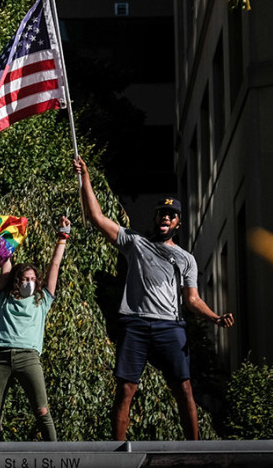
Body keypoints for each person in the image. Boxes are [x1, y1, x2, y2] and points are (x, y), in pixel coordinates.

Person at [73, 157, 234, 441]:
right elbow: (96, 217)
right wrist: (85, 176)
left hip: (170, 327)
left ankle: (195, 448)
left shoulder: (186, 259)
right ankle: (118, 451)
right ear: (155, 218)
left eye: (170, 216)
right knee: (125, 389)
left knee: (183, 389)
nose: (164, 218)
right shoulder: (134, 243)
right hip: (135, 325)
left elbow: (192, 300)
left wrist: (215, 317)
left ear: (177, 224)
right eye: (161, 214)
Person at [0, 215, 71, 442]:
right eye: (24, 278)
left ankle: (55, 454)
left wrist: (63, 236)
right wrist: (5, 232)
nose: (29, 282)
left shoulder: (42, 300)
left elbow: (55, 265)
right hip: (1, 356)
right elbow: (5, 260)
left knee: (42, 410)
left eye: (32, 278)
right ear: (16, 280)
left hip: (29, 357)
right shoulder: (5, 297)